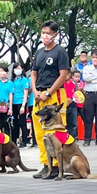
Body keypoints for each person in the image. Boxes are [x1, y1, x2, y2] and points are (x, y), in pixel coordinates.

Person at [30, 21, 70, 178]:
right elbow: (33, 74)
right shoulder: (39, 52)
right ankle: (46, 164)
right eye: (43, 32)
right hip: (39, 95)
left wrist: (48, 92)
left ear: (55, 34)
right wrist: (35, 91)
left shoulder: (60, 52)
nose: (45, 35)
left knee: (55, 130)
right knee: (40, 130)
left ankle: (56, 166)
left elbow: (63, 75)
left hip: (54, 94)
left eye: (48, 32)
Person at [11, 64, 30, 146]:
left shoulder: (24, 80)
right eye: (15, 68)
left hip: (21, 102)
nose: (17, 70)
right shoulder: (12, 80)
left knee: (22, 122)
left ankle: (24, 141)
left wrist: (23, 105)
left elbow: (26, 93)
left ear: (22, 69)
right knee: (15, 123)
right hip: (13, 103)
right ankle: (14, 140)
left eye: (19, 68)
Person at [0, 66, 14, 136]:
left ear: (7, 73)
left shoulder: (10, 83)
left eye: (4, 71)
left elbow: (10, 96)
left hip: (6, 106)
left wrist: (10, 108)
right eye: (1, 71)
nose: (2, 73)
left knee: (6, 124)